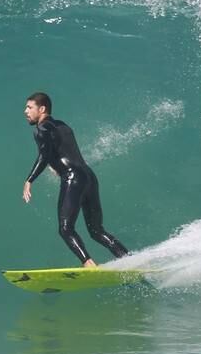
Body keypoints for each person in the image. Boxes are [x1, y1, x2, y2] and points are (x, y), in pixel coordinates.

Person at [22, 92, 131, 267]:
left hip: (73, 178)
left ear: (41, 109)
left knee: (65, 229)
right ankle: (129, 259)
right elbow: (62, 150)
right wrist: (56, 166)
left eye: (29, 107)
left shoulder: (41, 129)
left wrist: (29, 180)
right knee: (96, 230)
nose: (25, 111)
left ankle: (89, 265)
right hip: (89, 177)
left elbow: (44, 155)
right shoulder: (62, 125)